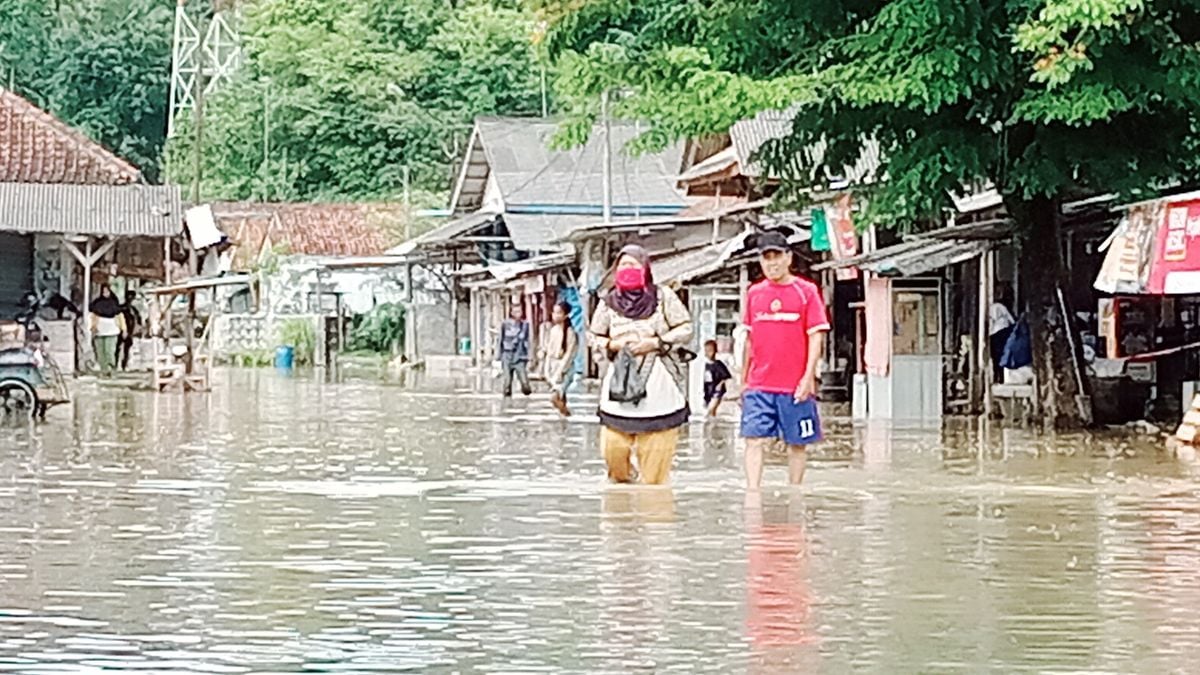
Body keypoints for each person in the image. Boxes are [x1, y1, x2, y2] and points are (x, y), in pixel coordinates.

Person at [590, 245, 693, 485]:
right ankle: (622, 500)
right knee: (612, 449)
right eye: (623, 265)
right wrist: (613, 344)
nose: (628, 270)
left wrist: (655, 342)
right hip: (619, 382)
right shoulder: (608, 302)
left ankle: (654, 516)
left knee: (655, 470)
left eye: (634, 265)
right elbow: (593, 335)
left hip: (659, 381)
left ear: (645, 269)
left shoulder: (664, 296)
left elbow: (686, 328)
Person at [741, 231, 830, 490]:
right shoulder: (754, 293)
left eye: (777, 256)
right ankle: (753, 493)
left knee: (797, 443)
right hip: (759, 385)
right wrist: (743, 381)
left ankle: (795, 493)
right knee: (753, 440)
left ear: (788, 258)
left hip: (794, 385)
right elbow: (749, 340)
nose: (772, 263)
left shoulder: (807, 292)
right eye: (766, 258)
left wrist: (808, 377)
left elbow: (816, 337)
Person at [539, 300, 578, 416]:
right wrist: (546, 370)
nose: (555, 315)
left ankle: (568, 415)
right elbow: (549, 352)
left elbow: (569, 355)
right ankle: (564, 420)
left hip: (566, 369)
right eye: (554, 312)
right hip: (553, 366)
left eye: (559, 313)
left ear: (566, 315)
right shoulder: (553, 330)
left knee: (554, 397)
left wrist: (560, 372)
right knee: (561, 396)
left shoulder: (570, 333)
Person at [89, 286, 125, 378]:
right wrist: (93, 328)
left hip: (112, 331)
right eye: (103, 292)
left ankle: (112, 369)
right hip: (99, 331)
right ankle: (104, 371)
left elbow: (120, 317)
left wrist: (124, 329)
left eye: (107, 292)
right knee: (101, 352)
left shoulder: (114, 304)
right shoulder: (96, 304)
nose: (105, 294)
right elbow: (93, 317)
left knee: (109, 351)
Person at [497, 302, 532, 398]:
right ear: (511, 312)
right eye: (515, 311)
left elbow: (528, 340)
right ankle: (507, 403)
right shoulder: (505, 324)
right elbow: (500, 339)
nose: (518, 313)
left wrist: (529, 356)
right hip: (507, 355)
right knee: (507, 383)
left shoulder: (525, 325)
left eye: (519, 311)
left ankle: (526, 400)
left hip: (520, 356)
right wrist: (498, 356)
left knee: (525, 384)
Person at [989, 290, 1016, 382]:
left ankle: (996, 377)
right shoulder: (1002, 307)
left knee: (995, 357)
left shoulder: (991, 308)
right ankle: (1002, 377)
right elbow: (1011, 320)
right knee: (1002, 355)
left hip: (994, 334)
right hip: (1004, 333)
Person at [703, 339, 733, 418]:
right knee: (707, 407)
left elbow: (726, 376)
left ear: (715, 351)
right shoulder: (704, 364)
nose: (708, 353)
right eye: (706, 351)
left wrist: (720, 384)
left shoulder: (718, 364)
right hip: (707, 388)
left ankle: (713, 420)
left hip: (717, 390)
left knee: (712, 408)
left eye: (710, 351)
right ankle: (711, 420)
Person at [117, 290, 141, 371]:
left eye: (132, 298)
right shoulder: (122, 308)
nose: (130, 299)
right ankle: (117, 363)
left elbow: (138, 319)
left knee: (126, 348)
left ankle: (124, 364)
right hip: (120, 330)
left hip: (130, 331)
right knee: (118, 347)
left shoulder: (133, 309)